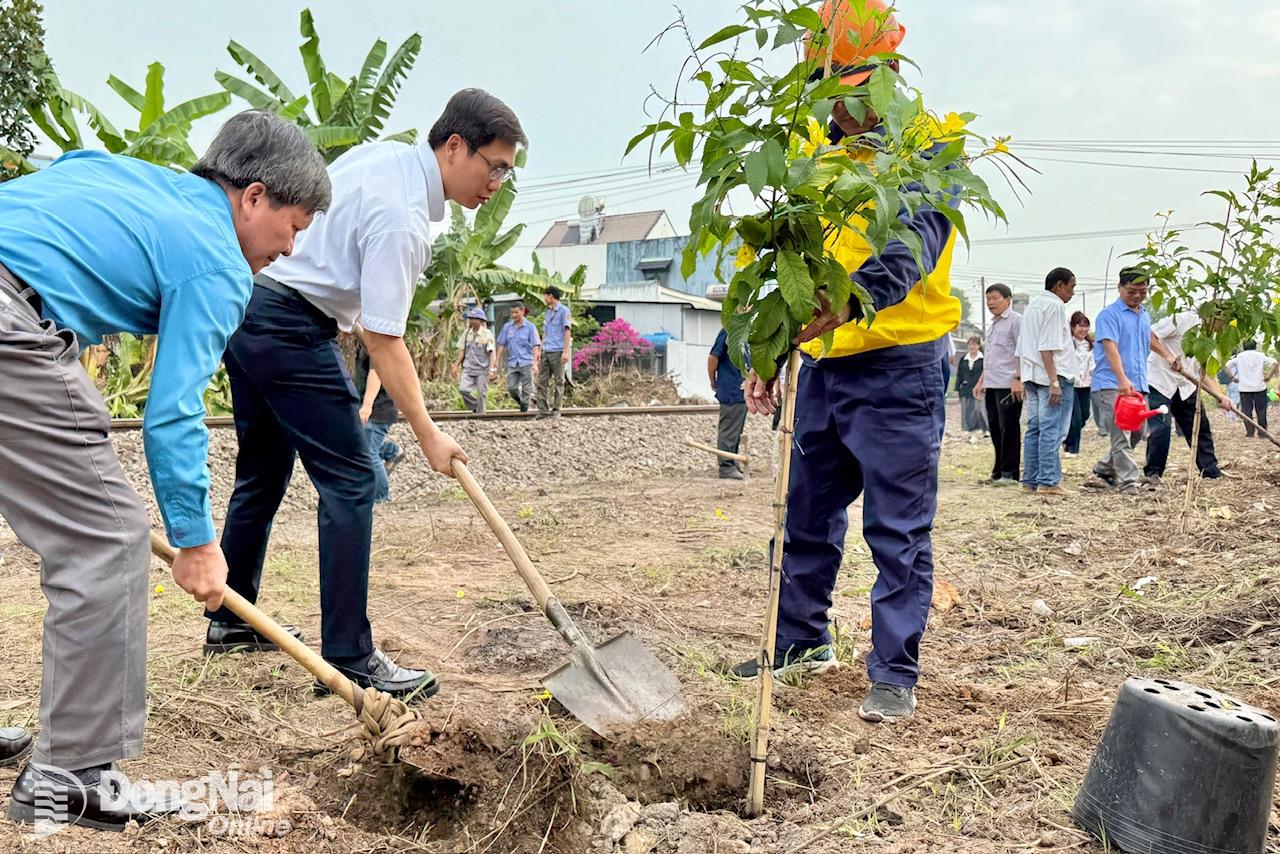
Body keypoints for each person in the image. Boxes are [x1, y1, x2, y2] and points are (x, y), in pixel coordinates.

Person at [0, 111, 329, 830]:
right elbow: (173, 412)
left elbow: (57, 193)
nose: (291, 247)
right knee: (107, 539)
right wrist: (197, 539)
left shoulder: (125, 175)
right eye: (295, 225)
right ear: (253, 197)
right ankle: (73, 776)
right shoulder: (217, 259)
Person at [211, 90, 525, 703]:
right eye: (495, 166)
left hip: (250, 308)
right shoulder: (403, 218)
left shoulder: (383, 159)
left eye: (506, 172)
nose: (497, 183)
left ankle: (230, 618)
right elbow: (381, 337)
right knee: (353, 479)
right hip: (289, 323)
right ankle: (351, 656)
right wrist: (429, 431)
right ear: (454, 147)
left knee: (262, 471)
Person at [730, 0, 959, 723]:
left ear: (889, 70)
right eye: (833, 89)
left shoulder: (929, 145)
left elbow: (914, 243)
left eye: (859, 87)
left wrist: (853, 302)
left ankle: (893, 670)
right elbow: (770, 258)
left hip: (899, 362)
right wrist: (762, 350)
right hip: (823, 366)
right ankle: (800, 643)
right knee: (805, 512)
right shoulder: (803, 148)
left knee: (896, 530)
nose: (846, 107)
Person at [1086, 268, 1179, 493]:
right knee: (1121, 433)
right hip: (1112, 384)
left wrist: (1167, 355)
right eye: (1131, 292)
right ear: (1119, 288)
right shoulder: (1109, 315)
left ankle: (1105, 466)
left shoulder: (1144, 314)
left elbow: (1148, 338)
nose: (1137, 296)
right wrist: (1121, 379)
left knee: (1139, 431)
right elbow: (1110, 348)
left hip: (1138, 384)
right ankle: (1129, 482)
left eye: (1142, 291)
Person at [1143, 310, 1231, 483]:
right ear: (1213, 315)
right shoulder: (1181, 319)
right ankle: (1153, 473)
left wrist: (1220, 396)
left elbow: (1204, 372)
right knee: (1161, 428)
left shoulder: (1209, 339)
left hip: (1186, 385)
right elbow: (1148, 334)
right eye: (1224, 321)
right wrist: (1167, 355)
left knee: (1199, 426)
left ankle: (1210, 471)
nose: (1224, 327)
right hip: (1160, 381)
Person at [1016, 267, 1076, 495]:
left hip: (1032, 374)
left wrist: (1022, 376)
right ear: (1059, 285)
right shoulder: (1054, 305)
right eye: (1071, 287)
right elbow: (1047, 346)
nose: (1072, 293)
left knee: (1035, 429)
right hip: (1051, 375)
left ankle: (1030, 481)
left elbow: (1022, 346)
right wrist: (1054, 381)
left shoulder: (1033, 307)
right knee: (1052, 429)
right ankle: (1049, 482)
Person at [974, 283, 1023, 485]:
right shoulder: (993, 324)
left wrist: (1018, 379)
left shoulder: (1016, 321)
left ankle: (1010, 474)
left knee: (1009, 428)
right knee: (995, 427)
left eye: (995, 298)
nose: (990, 303)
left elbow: (1022, 351)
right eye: (988, 299)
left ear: (1008, 299)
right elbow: (991, 356)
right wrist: (981, 381)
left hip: (1009, 383)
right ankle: (998, 471)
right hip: (992, 383)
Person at [355, 340, 403, 504]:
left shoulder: (375, 339)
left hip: (379, 408)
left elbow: (377, 373)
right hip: (374, 407)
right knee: (361, 446)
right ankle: (391, 451)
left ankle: (382, 498)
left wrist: (367, 405)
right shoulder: (364, 340)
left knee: (369, 454)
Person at [708, 327, 747, 480]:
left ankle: (732, 461)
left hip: (740, 388)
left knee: (736, 429)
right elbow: (713, 358)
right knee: (729, 429)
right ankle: (726, 466)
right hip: (731, 388)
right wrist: (713, 380)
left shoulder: (745, 331)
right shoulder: (728, 331)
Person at [1228, 340, 1277, 438]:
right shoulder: (1260, 355)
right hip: (1259, 387)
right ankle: (1262, 433)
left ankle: (1250, 432)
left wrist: (1232, 377)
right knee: (1261, 411)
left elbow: (1226, 365)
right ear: (1255, 346)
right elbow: (1274, 363)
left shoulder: (1239, 357)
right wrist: (1268, 376)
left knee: (1246, 411)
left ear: (1243, 347)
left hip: (1244, 388)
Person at [497, 302, 541, 411]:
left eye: (516, 312)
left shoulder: (530, 327)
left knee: (527, 389)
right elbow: (502, 343)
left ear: (522, 311)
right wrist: (496, 359)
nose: (514, 315)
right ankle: (521, 402)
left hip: (526, 361)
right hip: (513, 362)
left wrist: (535, 363)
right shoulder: (507, 327)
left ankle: (524, 410)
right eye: (512, 313)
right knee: (511, 387)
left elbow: (535, 345)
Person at [536, 286, 572, 419]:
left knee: (559, 381)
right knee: (542, 381)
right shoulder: (548, 312)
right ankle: (543, 411)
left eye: (545, 295)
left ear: (551, 296)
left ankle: (556, 410)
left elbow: (567, 331)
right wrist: (540, 349)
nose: (544, 298)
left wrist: (565, 351)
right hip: (547, 350)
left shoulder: (564, 311)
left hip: (558, 351)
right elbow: (545, 332)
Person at [1062, 312, 1094, 456]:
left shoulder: (1090, 345)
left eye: (1086, 326)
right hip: (1071, 383)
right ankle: (1072, 448)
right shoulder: (1067, 344)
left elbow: (1093, 364)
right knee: (1076, 417)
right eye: (1080, 326)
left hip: (1085, 384)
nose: (1083, 329)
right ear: (1073, 327)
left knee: (1085, 414)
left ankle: (1067, 437)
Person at [458, 306, 497, 413]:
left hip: (482, 370)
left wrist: (492, 369)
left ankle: (480, 416)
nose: (472, 321)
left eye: (475, 318)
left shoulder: (487, 334)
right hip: (468, 368)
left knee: (481, 394)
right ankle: (474, 405)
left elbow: (491, 352)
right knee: (463, 389)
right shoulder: (466, 333)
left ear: (481, 321)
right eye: (471, 318)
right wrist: (455, 365)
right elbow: (462, 350)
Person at [954, 335, 987, 441]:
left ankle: (985, 428)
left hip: (980, 389)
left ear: (978, 346)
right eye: (970, 344)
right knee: (968, 411)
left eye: (974, 344)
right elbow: (959, 374)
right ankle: (972, 432)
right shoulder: (964, 359)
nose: (972, 347)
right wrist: (956, 388)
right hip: (966, 388)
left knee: (979, 410)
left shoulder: (983, 359)